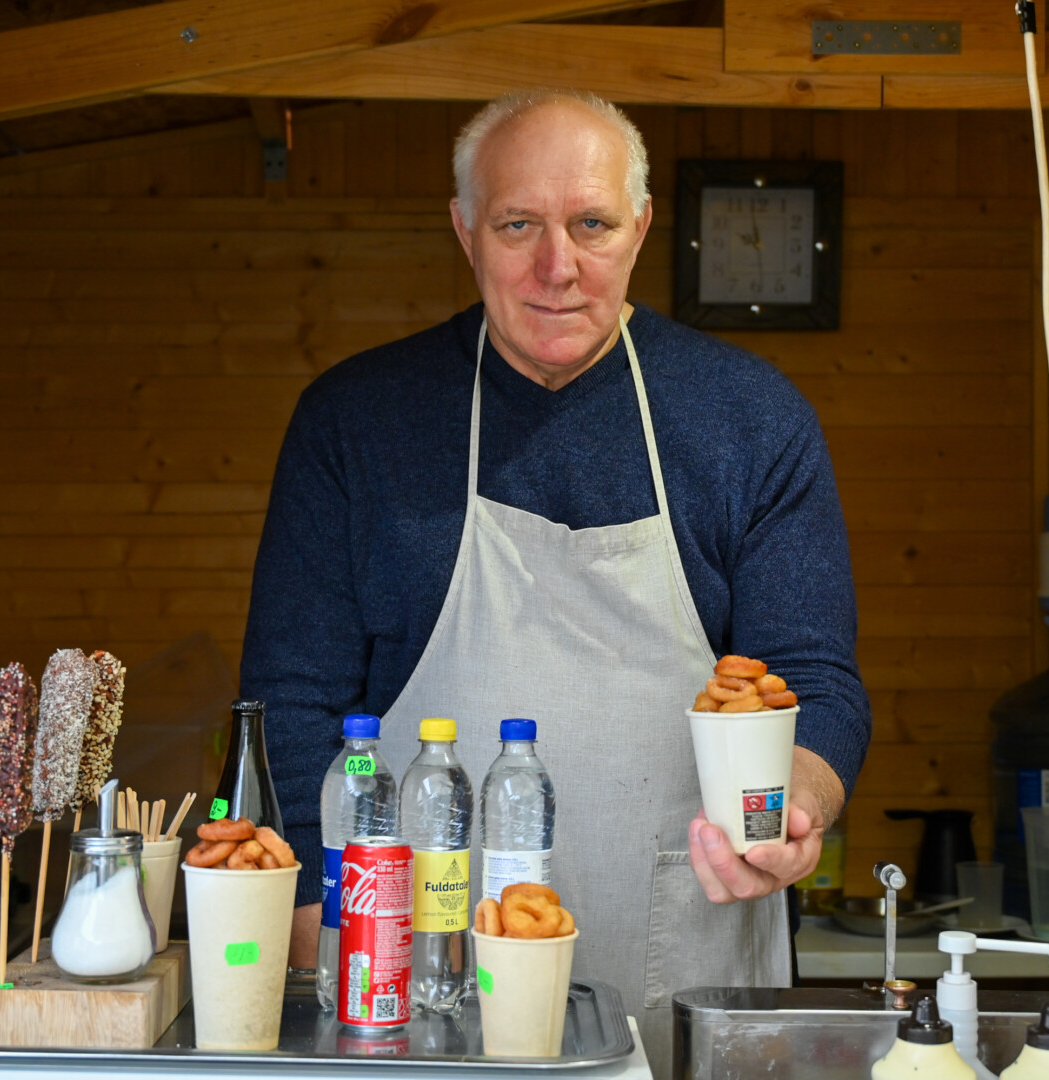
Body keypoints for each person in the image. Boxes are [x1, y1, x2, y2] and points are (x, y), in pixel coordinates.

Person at [240, 89, 871, 1069]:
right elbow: (293, 705)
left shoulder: (748, 420)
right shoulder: (357, 424)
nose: (556, 268)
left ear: (640, 227)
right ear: (463, 229)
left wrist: (786, 814)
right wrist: (319, 937)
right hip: (412, 979)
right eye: (517, 225)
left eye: (590, 224)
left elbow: (814, 681)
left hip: (688, 969)